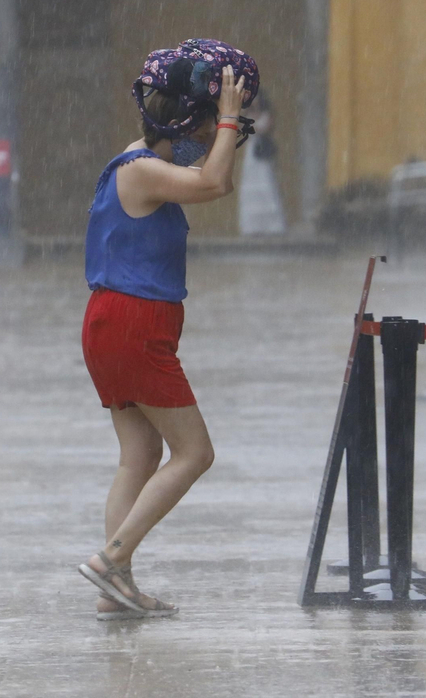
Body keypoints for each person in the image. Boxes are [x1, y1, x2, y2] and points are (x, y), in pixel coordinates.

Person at [76, 39, 256, 620]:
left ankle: (115, 591)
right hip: (134, 324)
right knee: (195, 452)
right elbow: (214, 184)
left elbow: (203, 170)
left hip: (111, 323)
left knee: (140, 452)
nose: (214, 139)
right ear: (187, 119)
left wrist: (219, 120)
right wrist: (227, 117)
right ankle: (112, 559)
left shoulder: (137, 158)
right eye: (206, 125)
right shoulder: (143, 172)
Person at [236, 91, 286, 235]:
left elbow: (264, 128)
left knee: (266, 182)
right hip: (251, 154)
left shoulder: (266, 115)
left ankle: (271, 225)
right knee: (251, 184)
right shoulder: (247, 116)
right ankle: (252, 226)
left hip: (262, 153)